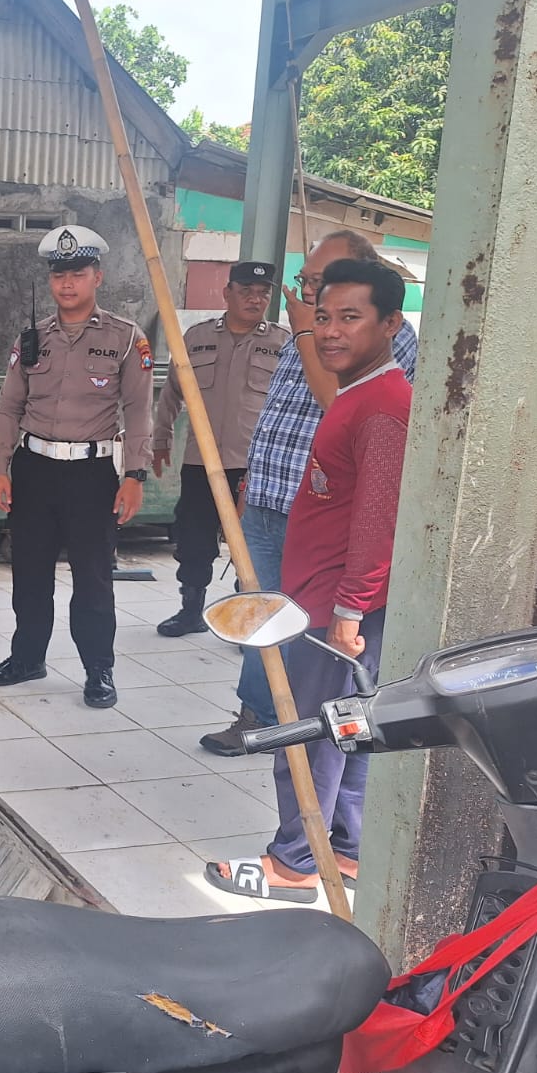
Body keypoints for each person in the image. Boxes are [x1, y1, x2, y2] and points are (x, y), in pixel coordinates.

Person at [205, 258, 413, 902]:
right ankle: (345, 850)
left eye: (351, 317)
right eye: (323, 317)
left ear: (390, 324)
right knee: (348, 729)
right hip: (324, 601)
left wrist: (349, 610)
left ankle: (294, 863)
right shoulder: (358, 394)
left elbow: (379, 521)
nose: (330, 331)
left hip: (335, 611)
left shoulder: (383, 406)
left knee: (312, 733)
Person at [0, 224, 154, 709]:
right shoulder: (31, 339)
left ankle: (98, 669)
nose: (67, 284)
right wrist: (0, 467)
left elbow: (139, 410)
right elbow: (9, 407)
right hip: (34, 470)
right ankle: (27, 658)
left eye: (78, 274)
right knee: (29, 572)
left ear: (98, 276)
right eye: (59, 275)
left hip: (92, 475)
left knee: (93, 577)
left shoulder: (126, 338)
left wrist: (134, 476)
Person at [151, 261, 287, 636]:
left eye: (262, 293)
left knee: (253, 545)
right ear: (227, 293)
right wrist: (161, 438)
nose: (255, 299)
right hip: (200, 463)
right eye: (246, 292)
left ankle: (250, 620)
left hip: (255, 466)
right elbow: (171, 393)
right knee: (193, 538)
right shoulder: (196, 338)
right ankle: (191, 610)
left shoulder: (284, 343)